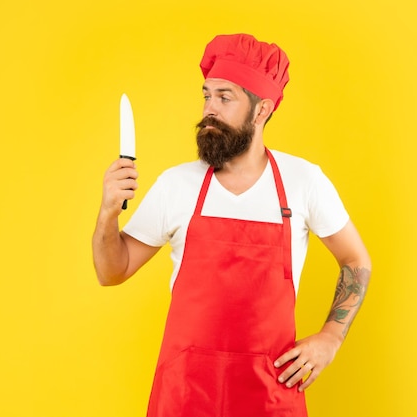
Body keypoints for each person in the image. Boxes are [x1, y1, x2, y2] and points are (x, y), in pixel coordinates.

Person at [92, 33, 371, 417]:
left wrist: (330, 337)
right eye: (207, 95)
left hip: (271, 395)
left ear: (262, 111)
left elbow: (356, 260)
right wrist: (108, 213)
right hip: (185, 394)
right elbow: (112, 270)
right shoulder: (177, 184)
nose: (210, 109)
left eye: (225, 98)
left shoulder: (303, 182)